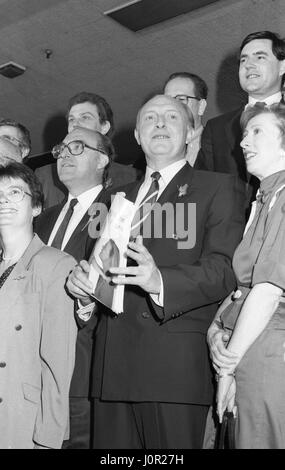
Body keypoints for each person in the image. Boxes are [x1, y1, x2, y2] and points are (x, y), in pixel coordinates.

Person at [66, 94, 244, 449]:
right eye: (149, 118)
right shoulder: (112, 199)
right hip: (111, 372)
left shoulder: (218, 187)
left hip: (174, 372)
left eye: (171, 117)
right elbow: (102, 278)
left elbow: (224, 270)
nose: (159, 124)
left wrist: (159, 280)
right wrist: (86, 297)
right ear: (136, 135)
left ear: (192, 132)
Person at [207, 103, 285, 449]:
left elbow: (267, 290)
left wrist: (227, 366)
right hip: (253, 346)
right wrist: (217, 329)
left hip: (269, 350)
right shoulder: (264, 197)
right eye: (243, 134)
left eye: (257, 132)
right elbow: (245, 286)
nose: (243, 142)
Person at [35, 127, 113, 449]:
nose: (64, 154)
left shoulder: (117, 212)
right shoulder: (41, 220)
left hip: (85, 368)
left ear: (102, 160)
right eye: (61, 149)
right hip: (33, 369)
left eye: (77, 147)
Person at [0, 162, 77, 449]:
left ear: (36, 207)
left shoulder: (56, 264)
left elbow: (58, 361)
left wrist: (48, 436)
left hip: (22, 419)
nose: (3, 200)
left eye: (15, 192)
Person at [195, 31, 285, 211]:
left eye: (260, 57)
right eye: (243, 60)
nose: (249, 65)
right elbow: (201, 188)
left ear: (283, 67)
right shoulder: (216, 128)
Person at [35, 92, 139, 208]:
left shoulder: (132, 177)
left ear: (104, 127)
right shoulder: (46, 176)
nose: (75, 124)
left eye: (85, 117)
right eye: (71, 119)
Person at [164, 72, 208, 166]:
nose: (172, 106)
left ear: (201, 106)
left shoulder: (220, 149)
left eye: (181, 99)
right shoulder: (151, 152)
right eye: (167, 100)